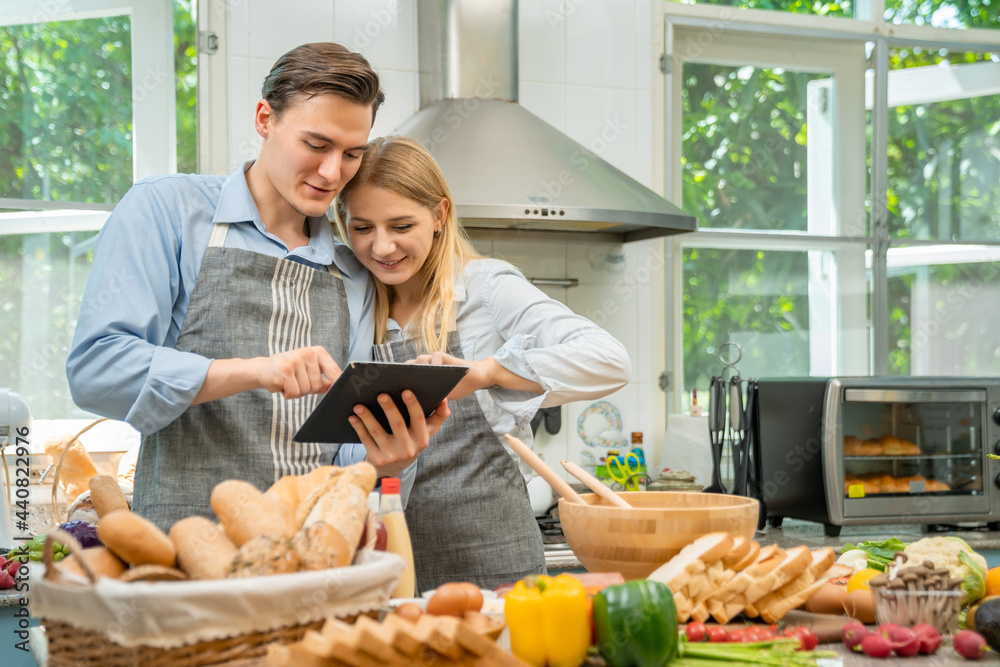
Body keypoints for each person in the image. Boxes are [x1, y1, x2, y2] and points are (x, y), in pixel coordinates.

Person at [66, 44, 448, 531]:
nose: (333, 173)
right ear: (265, 118)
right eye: (316, 145)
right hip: (186, 558)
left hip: (312, 560)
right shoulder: (168, 212)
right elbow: (97, 369)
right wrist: (257, 370)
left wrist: (387, 458)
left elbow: (349, 455)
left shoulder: (353, 271)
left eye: (352, 154)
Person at [334, 135, 631, 591]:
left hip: (495, 559)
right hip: (389, 563)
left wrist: (486, 374)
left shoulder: (485, 289)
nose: (382, 246)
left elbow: (609, 360)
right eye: (362, 228)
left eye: (400, 225)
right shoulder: (353, 305)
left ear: (439, 216)